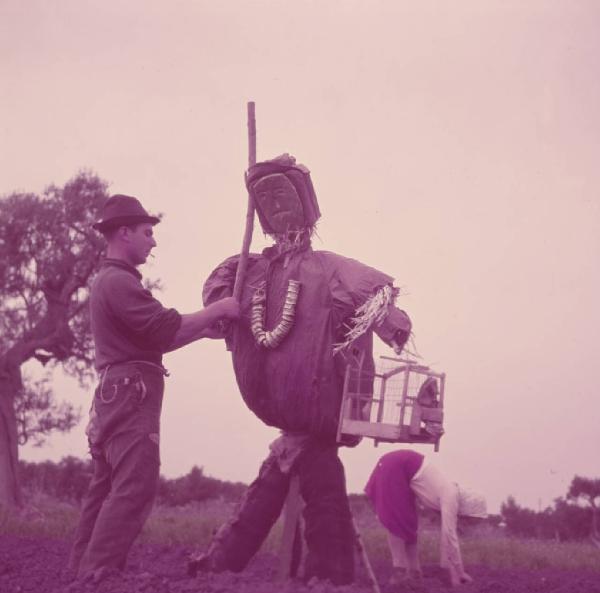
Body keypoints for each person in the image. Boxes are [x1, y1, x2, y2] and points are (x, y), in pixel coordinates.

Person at [189, 154, 412, 585]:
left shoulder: (330, 271)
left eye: (283, 193)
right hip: (286, 423)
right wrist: (226, 305)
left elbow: (381, 304)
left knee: (320, 497)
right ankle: (224, 564)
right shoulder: (248, 271)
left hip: (318, 423)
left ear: (307, 206)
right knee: (273, 494)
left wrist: (391, 324)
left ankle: (325, 576)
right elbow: (217, 298)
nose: (274, 204)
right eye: (264, 197)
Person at [68, 194, 240, 581]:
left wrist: (201, 332)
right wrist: (219, 309)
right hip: (132, 392)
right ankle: (99, 575)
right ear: (124, 233)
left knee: (107, 486)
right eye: (148, 233)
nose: (154, 241)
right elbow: (162, 327)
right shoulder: (119, 283)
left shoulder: (110, 281)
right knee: (135, 485)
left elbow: (154, 339)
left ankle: (81, 574)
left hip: (117, 389)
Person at [364, 449, 487, 587]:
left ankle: (415, 573)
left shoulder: (451, 493)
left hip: (403, 468)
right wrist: (459, 574)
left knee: (409, 523)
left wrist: (455, 574)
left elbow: (448, 539)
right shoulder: (451, 496)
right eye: (469, 520)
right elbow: (449, 537)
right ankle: (400, 571)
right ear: (469, 509)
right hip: (396, 465)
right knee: (397, 519)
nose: (466, 523)